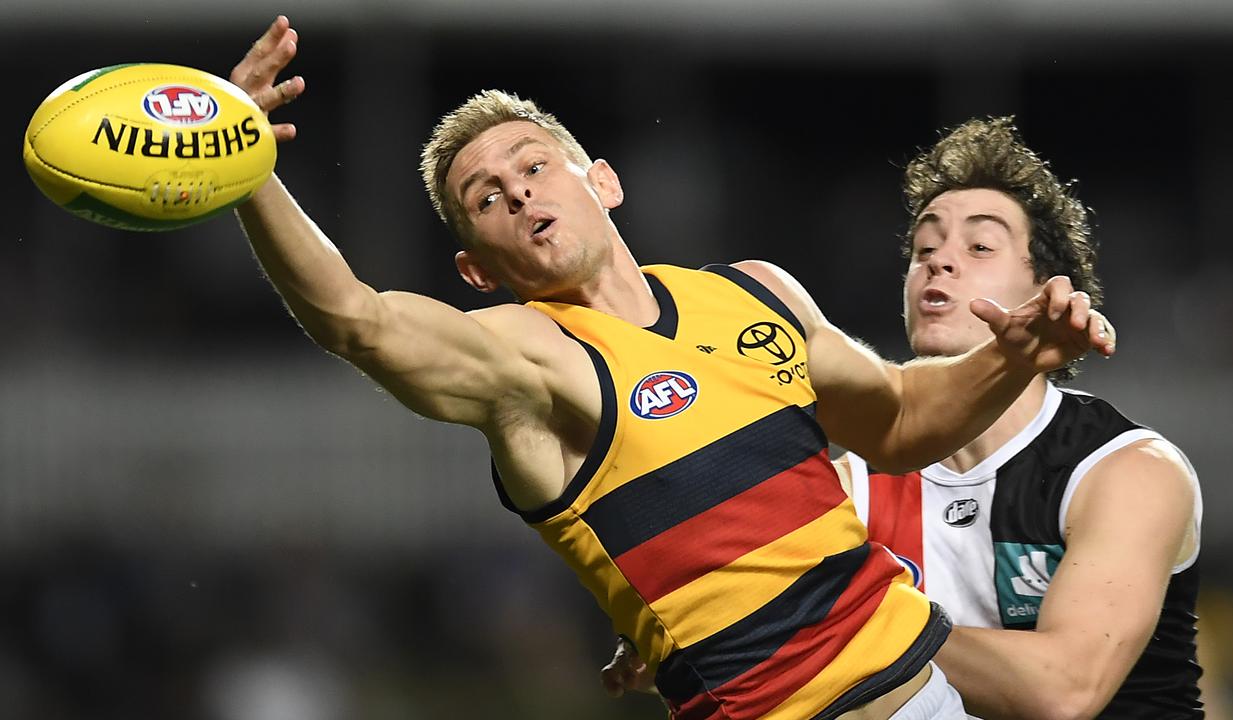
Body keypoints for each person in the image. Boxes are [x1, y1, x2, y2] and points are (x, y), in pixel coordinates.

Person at [230, 17, 1114, 720]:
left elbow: (893, 420)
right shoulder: (528, 360)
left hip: (926, 701)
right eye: (485, 200)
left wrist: (1011, 359)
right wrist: (249, 168)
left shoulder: (752, 292)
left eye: (534, 166)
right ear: (479, 271)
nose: (520, 193)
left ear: (603, 182)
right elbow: (358, 321)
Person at [603, 118, 1202, 719]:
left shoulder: (1125, 470)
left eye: (980, 247)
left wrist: (832, 618)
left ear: (1045, 289)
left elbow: (1061, 691)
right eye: (924, 248)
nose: (940, 262)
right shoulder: (847, 484)